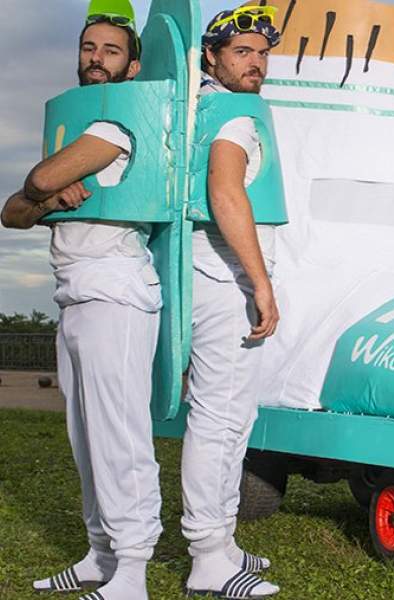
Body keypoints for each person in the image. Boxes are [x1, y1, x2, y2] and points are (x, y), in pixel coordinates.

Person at [1, 2, 162, 599]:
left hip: (116, 292)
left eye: (110, 50)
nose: (96, 58)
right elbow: (12, 212)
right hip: (74, 295)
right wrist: (46, 197)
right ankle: (101, 555)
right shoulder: (76, 127)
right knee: (86, 438)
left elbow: (37, 182)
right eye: (89, 47)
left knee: (120, 436)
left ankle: (133, 571)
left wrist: (44, 188)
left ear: (132, 66)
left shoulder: (115, 125)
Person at [181, 5, 283, 598]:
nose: (256, 63)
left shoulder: (202, 107)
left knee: (230, 416)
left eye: (262, 54)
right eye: (242, 52)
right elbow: (225, 191)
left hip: (213, 271)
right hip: (225, 276)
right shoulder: (234, 116)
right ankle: (206, 557)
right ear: (211, 57)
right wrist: (260, 281)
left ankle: (221, 542)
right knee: (219, 417)